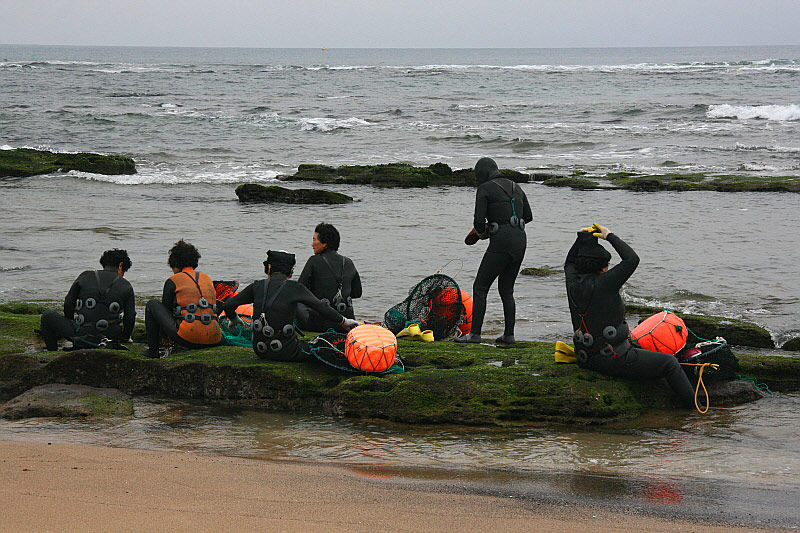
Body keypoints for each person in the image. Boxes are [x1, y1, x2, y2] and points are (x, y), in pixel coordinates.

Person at [564, 223, 695, 408]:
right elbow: (632, 259)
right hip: (613, 360)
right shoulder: (606, 282)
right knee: (670, 363)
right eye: (607, 266)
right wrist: (609, 236)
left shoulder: (572, 282)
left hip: (585, 358)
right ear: (602, 268)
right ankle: (695, 410)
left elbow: (569, 262)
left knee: (640, 348)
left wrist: (582, 240)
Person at [218, 250, 359, 361]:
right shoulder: (294, 287)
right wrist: (344, 321)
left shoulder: (256, 286)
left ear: (269, 267)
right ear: (291, 271)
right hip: (287, 351)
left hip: (260, 350)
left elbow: (229, 304)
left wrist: (233, 318)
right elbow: (321, 307)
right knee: (322, 346)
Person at [456, 157, 532, 344]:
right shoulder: (516, 186)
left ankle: (474, 334)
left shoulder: (484, 188)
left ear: (482, 174)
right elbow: (528, 216)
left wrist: (484, 232)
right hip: (520, 241)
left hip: (501, 242)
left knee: (480, 287)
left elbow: (478, 221)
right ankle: (509, 335)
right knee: (507, 289)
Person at [39, 249, 135, 350]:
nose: (123, 275)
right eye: (124, 271)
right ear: (120, 265)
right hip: (111, 336)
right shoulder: (126, 285)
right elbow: (130, 317)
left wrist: (73, 325)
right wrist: (124, 338)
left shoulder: (85, 276)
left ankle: (52, 350)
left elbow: (68, 304)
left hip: (82, 333)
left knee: (47, 315)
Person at [141, 240, 221, 358]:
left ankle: (153, 351)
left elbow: (166, 312)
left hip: (188, 338)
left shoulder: (173, 280)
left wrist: (164, 337)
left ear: (175, 263)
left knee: (152, 304)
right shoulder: (207, 278)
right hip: (215, 338)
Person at [296, 222, 362, 332]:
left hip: (320, 324)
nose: (312, 244)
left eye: (314, 240)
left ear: (324, 244)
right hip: (347, 323)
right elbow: (357, 293)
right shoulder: (348, 262)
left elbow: (299, 290)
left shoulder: (314, 260)